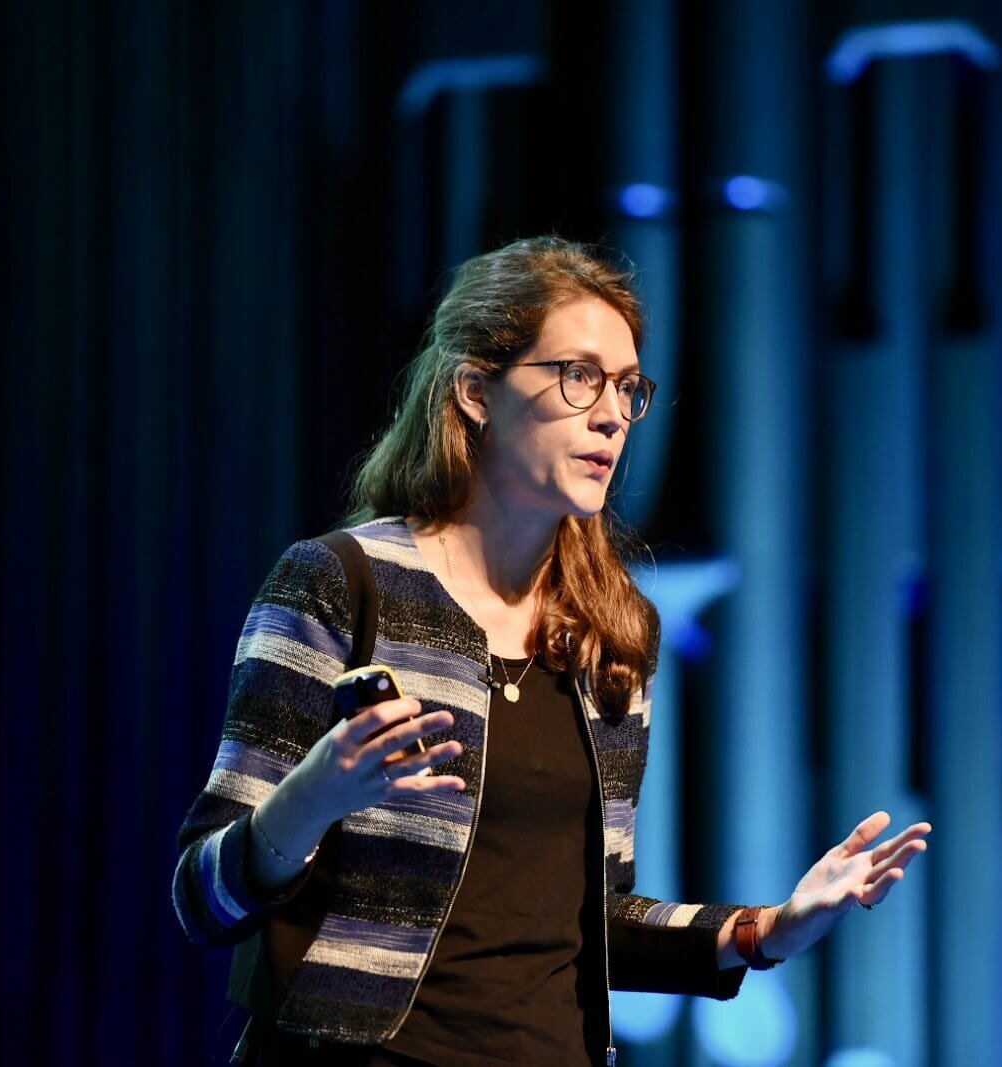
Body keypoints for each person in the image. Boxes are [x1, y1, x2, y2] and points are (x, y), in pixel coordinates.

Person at [172, 234, 931, 1065]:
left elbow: (597, 921)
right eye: (578, 376)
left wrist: (768, 929)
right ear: (475, 392)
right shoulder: (340, 582)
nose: (612, 414)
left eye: (628, 387)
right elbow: (203, 897)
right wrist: (310, 799)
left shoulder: (611, 631)